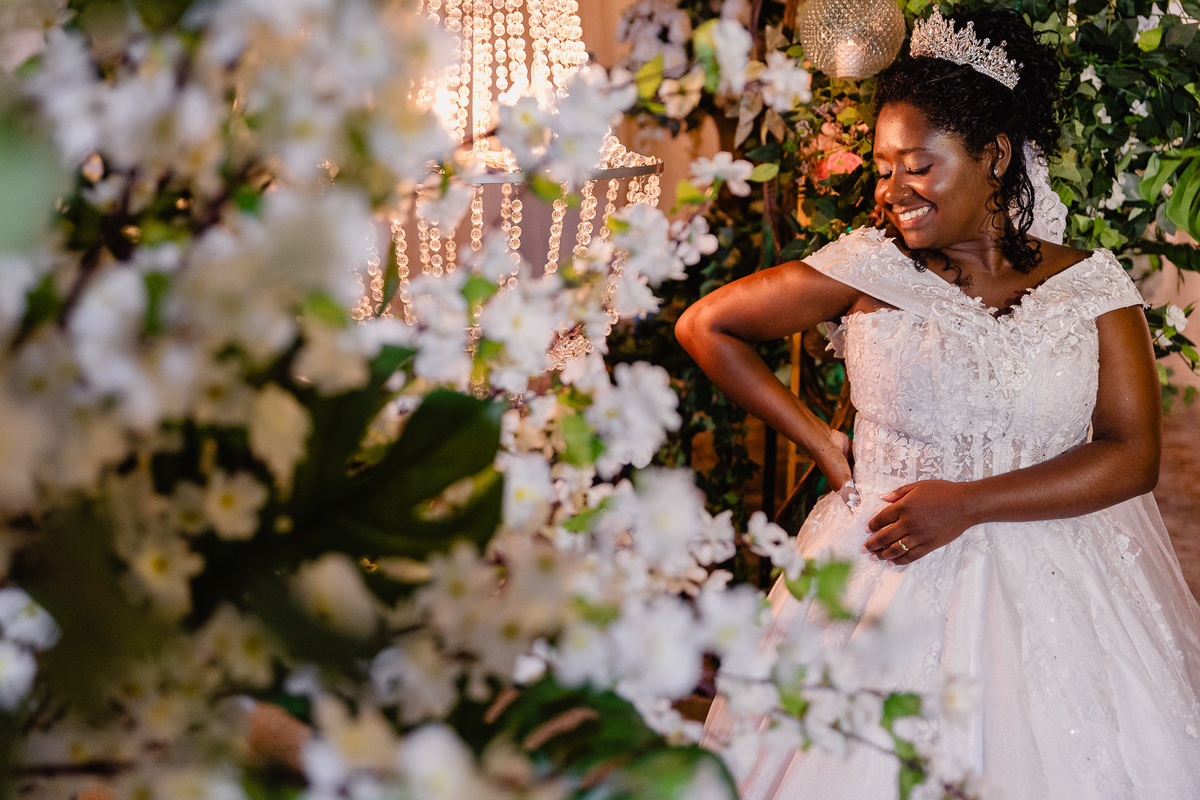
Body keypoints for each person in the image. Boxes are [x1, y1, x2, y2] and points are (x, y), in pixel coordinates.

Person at [676, 8, 1200, 799]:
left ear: (993, 157)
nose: (892, 192)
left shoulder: (1093, 286)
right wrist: (820, 440)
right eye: (883, 168)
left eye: (917, 166)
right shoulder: (867, 268)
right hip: (876, 578)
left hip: (1061, 590)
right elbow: (707, 325)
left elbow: (1131, 456)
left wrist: (969, 505)